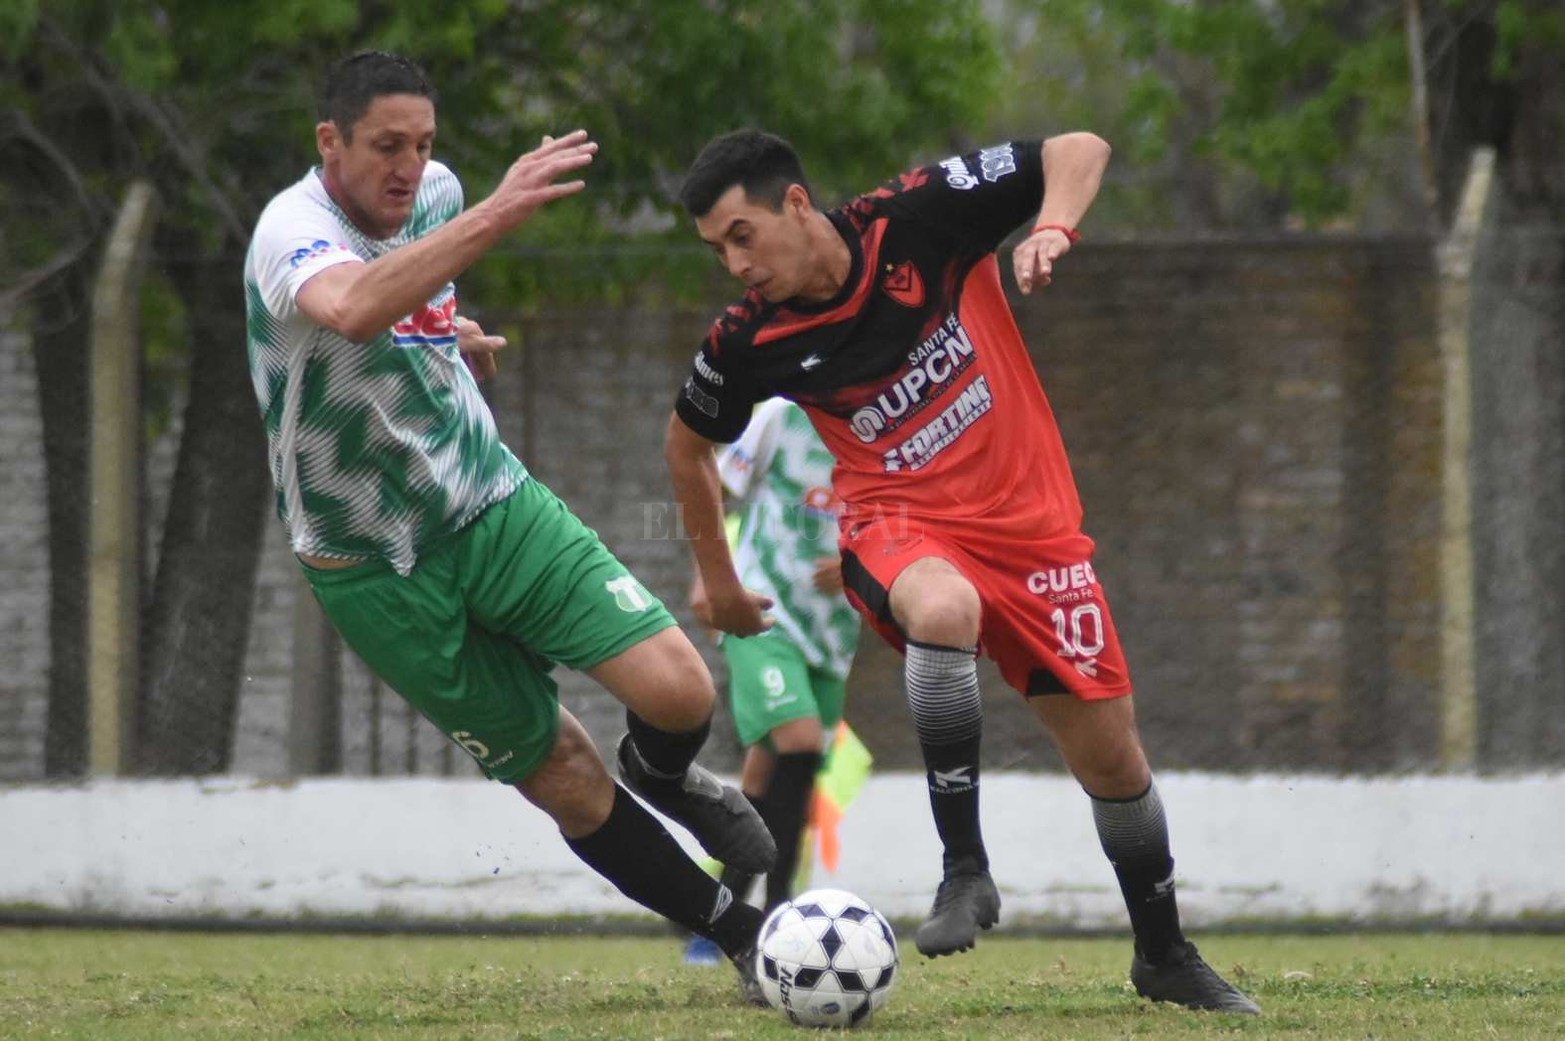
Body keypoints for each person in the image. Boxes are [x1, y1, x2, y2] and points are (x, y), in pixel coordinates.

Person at [663, 128, 1261, 1014]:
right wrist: (714, 578)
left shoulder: (916, 220)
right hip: (894, 523)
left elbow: (1079, 146)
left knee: (1113, 761)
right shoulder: (752, 336)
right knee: (942, 607)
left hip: (1033, 534)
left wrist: (1052, 227)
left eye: (741, 234)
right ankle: (964, 869)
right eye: (717, 249)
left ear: (796, 202)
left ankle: (1163, 954)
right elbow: (686, 446)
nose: (733, 264)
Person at [241, 51, 774, 1003]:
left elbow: (408, 307)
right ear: (330, 143)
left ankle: (668, 778)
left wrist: (453, 335)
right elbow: (355, 307)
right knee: (564, 773)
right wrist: (502, 209)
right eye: (385, 147)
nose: (409, 167)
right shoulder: (290, 230)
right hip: (371, 570)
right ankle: (741, 933)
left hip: (489, 502)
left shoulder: (436, 196)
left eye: (423, 145)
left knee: (680, 689)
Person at [682, 398, 863, 965]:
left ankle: (714, 918)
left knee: (773, 770)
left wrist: (860, 564)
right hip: (764, 612)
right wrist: (707, 579)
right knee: (800, 742)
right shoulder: (781, 416)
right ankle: (783, 915)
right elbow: (709, 479)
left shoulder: (884, 421)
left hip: (836, 630)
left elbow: (908, 520)